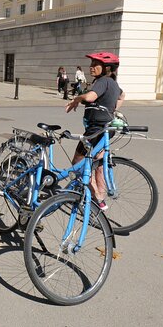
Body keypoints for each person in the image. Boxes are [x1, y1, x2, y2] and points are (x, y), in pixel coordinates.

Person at [66, 52, 125, 210]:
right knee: (98, 164)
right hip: (106, 128)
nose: (91, 67)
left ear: (106, 68)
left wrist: (77, 99)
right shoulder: (113, 83)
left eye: (95, 65)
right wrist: (112, 111)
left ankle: (97, 198)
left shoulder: (103, 80)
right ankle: (100, 198)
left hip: (95, 131)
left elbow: (90, 97)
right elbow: (122, 96)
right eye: (91, 64)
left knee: (77, 163)